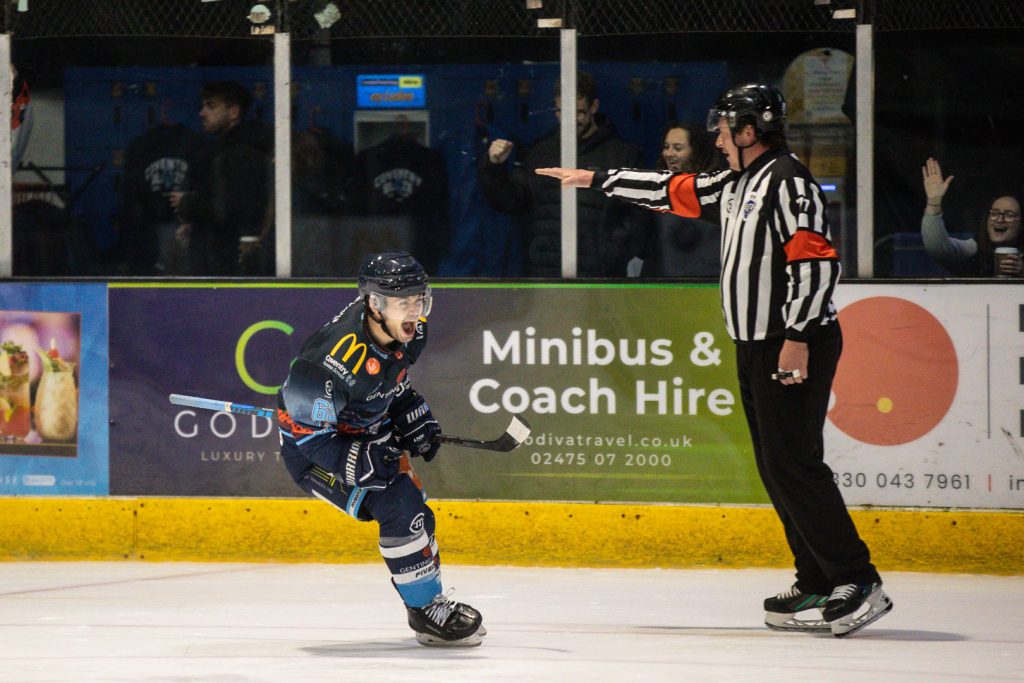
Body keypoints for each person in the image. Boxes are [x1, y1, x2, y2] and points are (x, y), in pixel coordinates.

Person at [535, 83, 892, 637]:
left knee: (794, 463)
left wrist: (796, 335)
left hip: (790, 340)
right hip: (757, 343)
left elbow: (815, 260)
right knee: (778, 465)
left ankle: (856, 576)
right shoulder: (738, 180)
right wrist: (595, 178)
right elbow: (673, 189)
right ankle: (818, 578)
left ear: (750, 131)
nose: (718, 140)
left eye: (726, 130)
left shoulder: (788, 179)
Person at [275, 252, 486, 647]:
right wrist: (348, 459)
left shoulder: (411, 330)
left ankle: (427, 600)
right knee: (402, 508)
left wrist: (409, 410)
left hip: (366, 429)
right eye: (402, 302)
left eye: (418, 299)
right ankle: (426, 612)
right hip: (315, 451)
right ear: (374, 304)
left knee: (415, 507)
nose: (414, 310)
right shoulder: (330, 358)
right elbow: (303, 430)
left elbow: (391, 380)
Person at [478, 72, 650, 277]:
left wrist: (609, 257)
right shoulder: (540, 153)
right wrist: (494, 166)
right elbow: (510, 201)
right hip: (546, 274)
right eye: (562, 112)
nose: (570, 121)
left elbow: (638, 219)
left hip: (601, 279)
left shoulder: (621, 156)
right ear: (555, 108)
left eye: (578, 113)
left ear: (594, 107)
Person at [169, 81, 273, 275]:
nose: (202, 113)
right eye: (203, 106)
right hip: (223, 256)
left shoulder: (241, 152)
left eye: (211, 106)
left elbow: (230, 207)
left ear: (234, 112)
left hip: (229, 261)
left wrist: (186, 203)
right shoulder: (227, 149)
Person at [637, 122, 723, 277]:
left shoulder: (717, 191)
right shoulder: (656, 191)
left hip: (709, 286)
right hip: (661, 285)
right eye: (666, 146)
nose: (669, 153)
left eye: (677, 148)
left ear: (696, 152)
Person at [920, 157, 1023, 276]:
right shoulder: (973, 248)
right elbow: (938, 249)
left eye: (1009, 215)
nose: (1000, 219)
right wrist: (934, 201)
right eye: (994, 213)